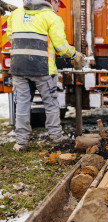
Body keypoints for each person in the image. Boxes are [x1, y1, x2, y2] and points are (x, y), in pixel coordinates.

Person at [7, 0, 84, 152]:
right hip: (42, 68)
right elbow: (61, 46)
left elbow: (11, 38)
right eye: (58, 5)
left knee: (22, 104)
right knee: (50, 103)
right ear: (52, 1)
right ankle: (56, 137)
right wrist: (75, 54)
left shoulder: (16, 14)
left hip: (19, 67)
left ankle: (21, 142)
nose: (58, 9)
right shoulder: (51, 17)